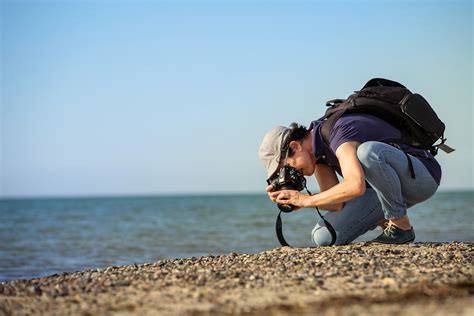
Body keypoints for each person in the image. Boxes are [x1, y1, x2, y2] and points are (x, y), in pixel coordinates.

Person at [258, 113, 441, 245]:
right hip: (382, 191)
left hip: (420, 176)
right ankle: (385, 221)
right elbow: (336, 204)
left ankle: (401, 226)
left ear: (295, 146)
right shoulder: (317, 156)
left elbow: (355, 186)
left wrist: (307, 199)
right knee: (323, 237)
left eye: (288, 167)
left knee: (368, 153)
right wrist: (298, 202)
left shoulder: (338, 130)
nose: (293, 173)